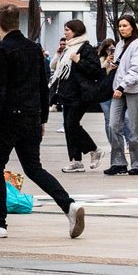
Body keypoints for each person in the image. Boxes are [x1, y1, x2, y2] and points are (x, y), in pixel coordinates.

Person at [0, 3, 87, 240]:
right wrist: (42, 118)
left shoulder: (0, 51)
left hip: (7, 118)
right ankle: (69, 205)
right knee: (34, 167)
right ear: (17, 22)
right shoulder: (34, 49)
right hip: (31, 116)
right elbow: (42, 86)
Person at [49, 19, 103, 173]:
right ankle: (75, 160)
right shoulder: (68, 48)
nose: (65, 33)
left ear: (76, 31)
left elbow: (94, 70)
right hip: (66, 93)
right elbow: (54, 67)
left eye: (67, 30)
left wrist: (79, 61)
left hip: (80, 93)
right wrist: (58, 53)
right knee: (69, 126)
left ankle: (94, 150)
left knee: (71, 124)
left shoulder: (85, 48)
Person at [105, 16, 138, 175]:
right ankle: (118, 162)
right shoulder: (119, 45)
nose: (122, 28)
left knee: (135, 127)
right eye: (120, 26)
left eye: (125, 25)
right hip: (120, 88)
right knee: (113, 125)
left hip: (135, 89)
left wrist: (122, 85)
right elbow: (123, 67)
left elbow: (137, 69)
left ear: (132, 27)